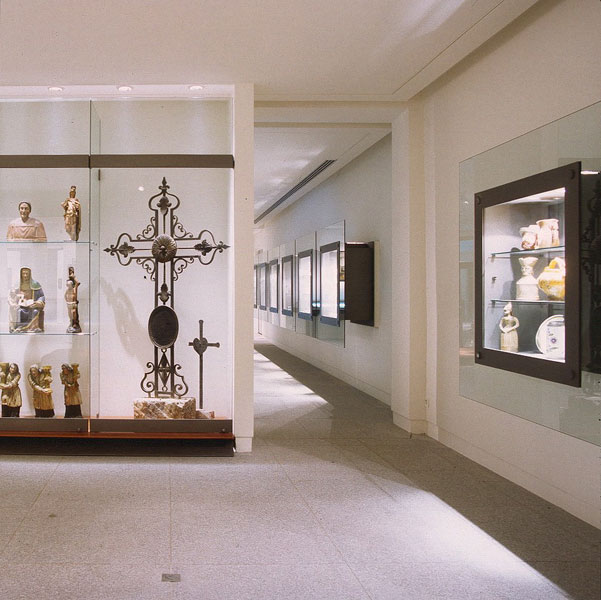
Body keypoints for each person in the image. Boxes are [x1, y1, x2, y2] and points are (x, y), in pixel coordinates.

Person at [8, 267, 45, 333]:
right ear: (21, 274)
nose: (25, 275)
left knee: (35, 311)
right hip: (21, 306)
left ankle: (33, 327)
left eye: (27, 274)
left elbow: (41, 296)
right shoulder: (17, 285)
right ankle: (19, 327)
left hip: (32, 306)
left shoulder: (35, 284)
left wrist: (39, 302)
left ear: (30, 274)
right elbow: (13, 296)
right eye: (23, 274)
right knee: (19, 311)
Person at [65, 266, 81, 333]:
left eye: (71, 271)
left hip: (73, 303)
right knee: (70, 315)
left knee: (74, 313)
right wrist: (67, 300)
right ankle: (71, 323)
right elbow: (65, 296)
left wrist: (73, 277)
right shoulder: (68, 290)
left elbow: (78, 283)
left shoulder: (74, 288)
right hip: (69, 303)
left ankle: (75, 325)